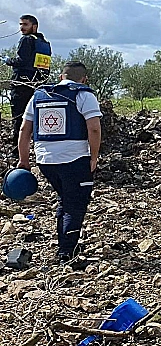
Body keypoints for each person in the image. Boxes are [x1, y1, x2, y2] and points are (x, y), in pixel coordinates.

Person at [17, 61, 101, 263]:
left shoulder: (38, 96)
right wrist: (94, 156)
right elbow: (94, 129)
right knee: (75, 205)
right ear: (84, 79)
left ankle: (65, 243)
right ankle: (66, 254)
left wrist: (24, 160)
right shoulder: (84, 95)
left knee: (65, 199)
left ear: (61, 77)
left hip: (45, 160)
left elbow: (24, 131)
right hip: (74, 159)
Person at [5, 15, 52, 156]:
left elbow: (22, 60)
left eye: (25, 24)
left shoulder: (26, 40)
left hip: (22, 85)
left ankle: (16, 151)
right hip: (38, 85)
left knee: (19, 118)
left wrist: (9, 61)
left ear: (34, 26)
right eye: (20, 24)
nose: (21, 28)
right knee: (37, 119)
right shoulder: (44, 43)